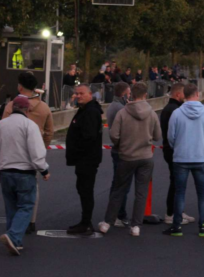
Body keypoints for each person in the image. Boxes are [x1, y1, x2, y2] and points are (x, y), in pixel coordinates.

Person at [0, 96, 50, 255]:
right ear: (27, 109)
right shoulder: (30, 125)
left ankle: (16, 241)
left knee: (11, 207)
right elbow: (36, 152)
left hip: (5, 172)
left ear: (12, 107)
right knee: (26, 206)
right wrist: (44, 170)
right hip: (24, 172)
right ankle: (13, 236)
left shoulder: (1, 125)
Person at [99, 83, 161, 237]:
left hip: (126, 156)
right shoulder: (152, 114)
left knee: (119, 190)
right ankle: (136, 226)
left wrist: (122, 144)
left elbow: (114, 135)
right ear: (145, 94)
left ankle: (107, 222)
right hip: (146, 157)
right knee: (141, 192)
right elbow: (158, 136)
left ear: (130, 95)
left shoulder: (122, 113)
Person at [2, 72, 54, 234]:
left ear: (20, 87)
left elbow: (3, 127)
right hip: (33, 153)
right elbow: (49, 131)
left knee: (11, 192)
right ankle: (31, 220)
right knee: (33, 187)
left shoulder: (11, 106)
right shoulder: (44, 107)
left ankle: (14, 224)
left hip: (12, 152)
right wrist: (42, 148)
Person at [164, 83, 204, 237]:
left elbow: (170, 137)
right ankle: (203, 227)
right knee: (202, 193)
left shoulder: (177, 113)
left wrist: (178, 147)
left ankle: (177, 226)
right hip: (200, 157)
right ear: (197, 94)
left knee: (180, 192)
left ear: (184, 95)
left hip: (181, 157)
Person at [65, 84, 103, 235]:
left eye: (81, 93)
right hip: (83, 159)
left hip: (87, 159)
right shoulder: (84, 111)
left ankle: (86, 223)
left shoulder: (91, 112)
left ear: (90, 94)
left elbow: (88, 137)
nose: (78, 96)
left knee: (86, 190)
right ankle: (85, 221)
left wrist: (77, 151)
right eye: (76, 93)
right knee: (82, 189)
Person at [160, 83, 193, 225]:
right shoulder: (174, 110)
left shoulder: (169, 109)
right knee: (176, 182)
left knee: (177, 182)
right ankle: (171, 213)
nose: (186, 97)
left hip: (171, 150)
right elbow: (175, 133)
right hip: (174, 151)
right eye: (184, 94)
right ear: (178, 94)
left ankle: (177, 210)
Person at [104, 82, 133, 227]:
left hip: (117, 149)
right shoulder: (121, 109)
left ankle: (115, 213)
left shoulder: (112, 106)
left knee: (117, 183)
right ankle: (118, 214)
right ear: (124, 94)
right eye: (128, 93)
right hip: (122, 150)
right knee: (122, 185)